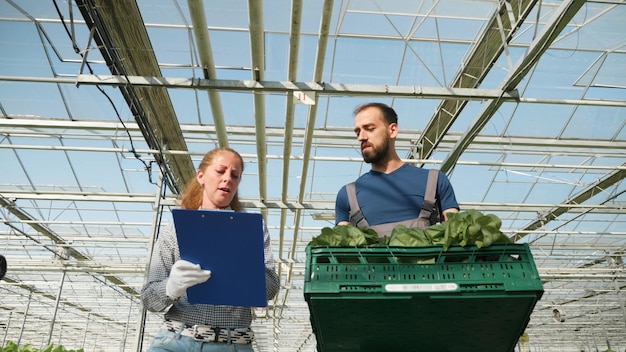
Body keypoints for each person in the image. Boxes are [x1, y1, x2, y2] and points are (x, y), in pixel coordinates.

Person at [141, 147, 280, 352]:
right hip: (176, 340)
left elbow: (271, 289)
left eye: (234, 175)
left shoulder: (252, 230)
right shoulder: (176, 229)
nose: (227, 179)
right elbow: (149, 299)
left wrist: (245, 265)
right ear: (201, 176)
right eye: (220, 171)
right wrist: (171, 287)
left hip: (232, 344)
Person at [335, 102, 460, 238]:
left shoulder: (435, 181)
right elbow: (341, 250)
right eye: (358, 132)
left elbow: (456, 237)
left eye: (369, 128)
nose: (361, 137)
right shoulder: (347, 195)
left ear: (392, 130)